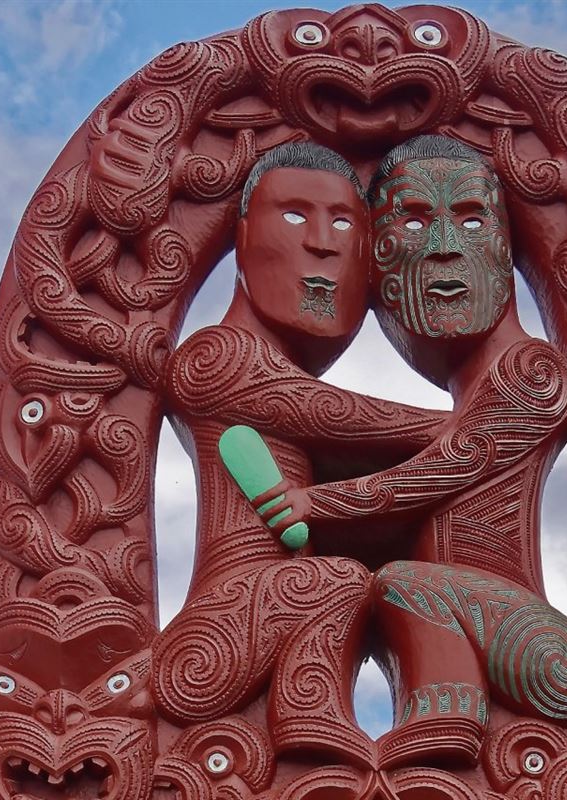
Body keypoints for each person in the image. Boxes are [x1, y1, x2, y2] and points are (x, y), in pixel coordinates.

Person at [256, 136, 567, 766]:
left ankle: (448, 718)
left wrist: (316, 503)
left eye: (471, 222)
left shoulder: (533, 373)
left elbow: (445, 468)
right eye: (413, 223)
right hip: (479, 617)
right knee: (364, 581)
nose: (444, 245)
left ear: (506, 246)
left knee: (406, 582)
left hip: (543, 652)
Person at [152, 142, 450, 765]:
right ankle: (307, 718)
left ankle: (312, 712)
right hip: (217, 634)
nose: (321, 243)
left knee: (349, 579)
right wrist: (479, 431)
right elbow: (335, 415)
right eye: (294, 216)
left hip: (265, 613)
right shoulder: (217, 358)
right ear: (240, 236)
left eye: (342, 224)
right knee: (334, 580)